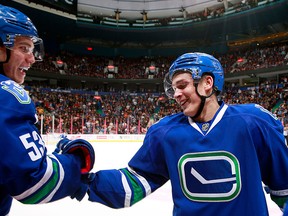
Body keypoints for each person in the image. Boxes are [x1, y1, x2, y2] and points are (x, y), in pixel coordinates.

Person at [79, 52, 288, 215]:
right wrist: (77, 177)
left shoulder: (255, 123)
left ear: (208, 83)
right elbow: (133, 186)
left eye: (182, 86)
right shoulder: (164, 133)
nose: (176, 94)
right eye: (173, 89)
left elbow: (285, 190)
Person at [0, 4, 94, 215]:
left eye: (32, 51)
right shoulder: (6, 94)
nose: (32, 59)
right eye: (23, 48)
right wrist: (77, 160)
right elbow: (35, 182)